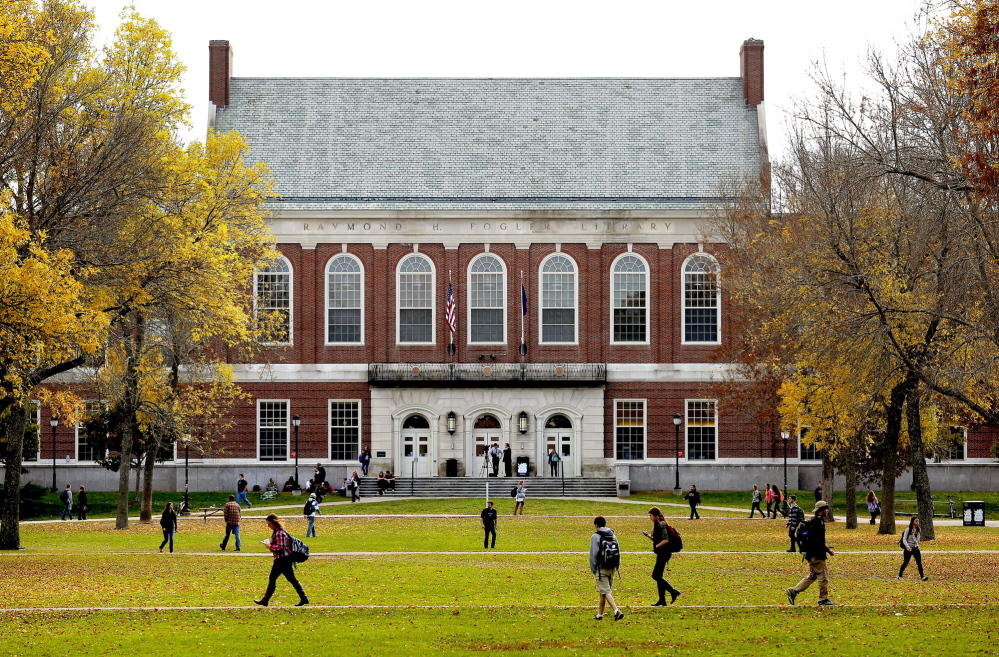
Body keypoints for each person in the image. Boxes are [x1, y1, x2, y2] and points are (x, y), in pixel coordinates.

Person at [786, 500, 836, 606]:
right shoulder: (818, 522)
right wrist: (828, 550)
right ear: (821, 510)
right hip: (817, 554)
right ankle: (823, 599)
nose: (827, 511)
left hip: (811, 553)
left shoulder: (815, 521)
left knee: (812, 576)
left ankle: (793, 591)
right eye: (825, 509)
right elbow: (818, 540)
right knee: (824, 577)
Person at [255, 514, 309, 607]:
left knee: (275, 578)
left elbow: (281, 547)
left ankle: (265, 600)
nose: (268, 526)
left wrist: (269, 546)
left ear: (273, 523)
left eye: (269, 524)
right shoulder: (278, 532)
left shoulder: (280, 533)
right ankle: (304, 598)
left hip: (282, 560)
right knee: (288, 579)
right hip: (283, 559)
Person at [642, 507, 681, 606]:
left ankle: (673, 591)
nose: (649, 517)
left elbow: (665, 540)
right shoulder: (657, 524)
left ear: (655, 516)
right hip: (661, 553)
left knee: (655, 576)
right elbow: (658, 539)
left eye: (650, 516)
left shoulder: (662, 524)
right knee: (659, 576)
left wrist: (657, 546)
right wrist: (649, 537)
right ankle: (662, 600)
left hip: (664, 553)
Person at [589, 516, 624, 621]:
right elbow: (618, 551)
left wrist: (594, 569)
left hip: (601, 568)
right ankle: (599, 615)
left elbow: (593, 554)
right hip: (612, 567)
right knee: (603, 591)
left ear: (596, 525)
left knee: (606, 591)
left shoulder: (595, 536)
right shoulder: (613, 535)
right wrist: (617, 565)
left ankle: (616, 611)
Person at [898, 516, 929, 581]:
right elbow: (904, 539)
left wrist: (917, 545)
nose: (917, 522)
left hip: (915, 548)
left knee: (919, 563)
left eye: (918, 521)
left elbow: (918, 539)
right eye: (916, 521)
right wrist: (907, 547)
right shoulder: (908, 529)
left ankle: (922, 577)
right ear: (912, 522)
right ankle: (900, 575)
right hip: (908, 549)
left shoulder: (918, 529)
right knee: (906, 562)